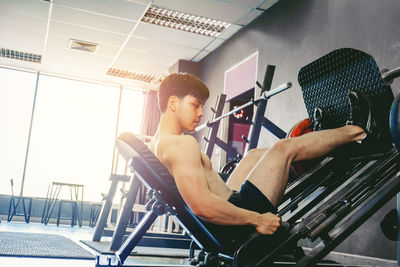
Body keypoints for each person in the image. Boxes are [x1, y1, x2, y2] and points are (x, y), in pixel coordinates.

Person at [148, 72, 377, 247]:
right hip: (234, 221)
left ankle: (323, 145)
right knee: (283, 148)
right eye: (195, 105)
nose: (200, 113)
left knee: (254, 155)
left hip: (228, 203)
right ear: (173, 103)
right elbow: (201, 206)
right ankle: (358, 131)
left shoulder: (159, 142)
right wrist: (257, 219)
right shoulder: (181, 144)